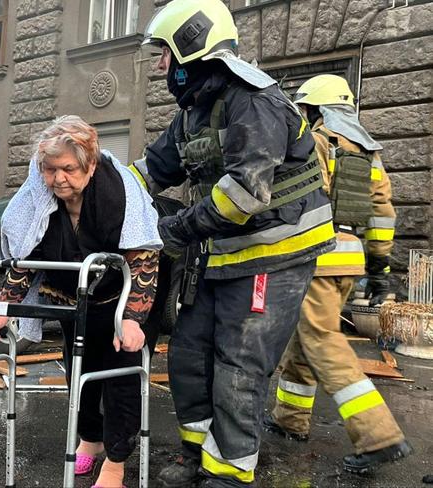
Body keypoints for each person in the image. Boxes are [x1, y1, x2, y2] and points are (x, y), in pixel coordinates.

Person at [129, 1, 337, 486]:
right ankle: (197, 453)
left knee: (239, 365)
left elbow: (243, 194)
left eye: (164, 52)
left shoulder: (254, 100)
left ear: (192, 45)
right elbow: (151, 171)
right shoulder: (194, 112)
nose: (161, 65)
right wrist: (98, 190)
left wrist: (173, 231)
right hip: (222, 254)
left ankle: (229, 473)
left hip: (273, 253)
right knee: (189, 355)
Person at [0, 115, 163, 488]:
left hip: (124, 294)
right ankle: (90, 441)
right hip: (73, 296)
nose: (58, 178)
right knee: (80, 370)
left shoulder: (117, 190)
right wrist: (1, 308)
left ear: (89, 165)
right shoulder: (39, 196)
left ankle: (116, 462)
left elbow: (143, 257)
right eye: (50, 169)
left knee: (121, 375)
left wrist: (132, 319)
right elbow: (28, 256)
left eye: (68, 169)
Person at [264, 74, 413, 472]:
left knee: (322, 339)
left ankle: (379, 436)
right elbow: (383, 213)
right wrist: (380, 265)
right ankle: (289, 419)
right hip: (350, 259)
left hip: (318, 256)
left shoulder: (315, 141)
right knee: (307, 336)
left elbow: (295, 197)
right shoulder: (368, 153)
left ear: (314, 109)